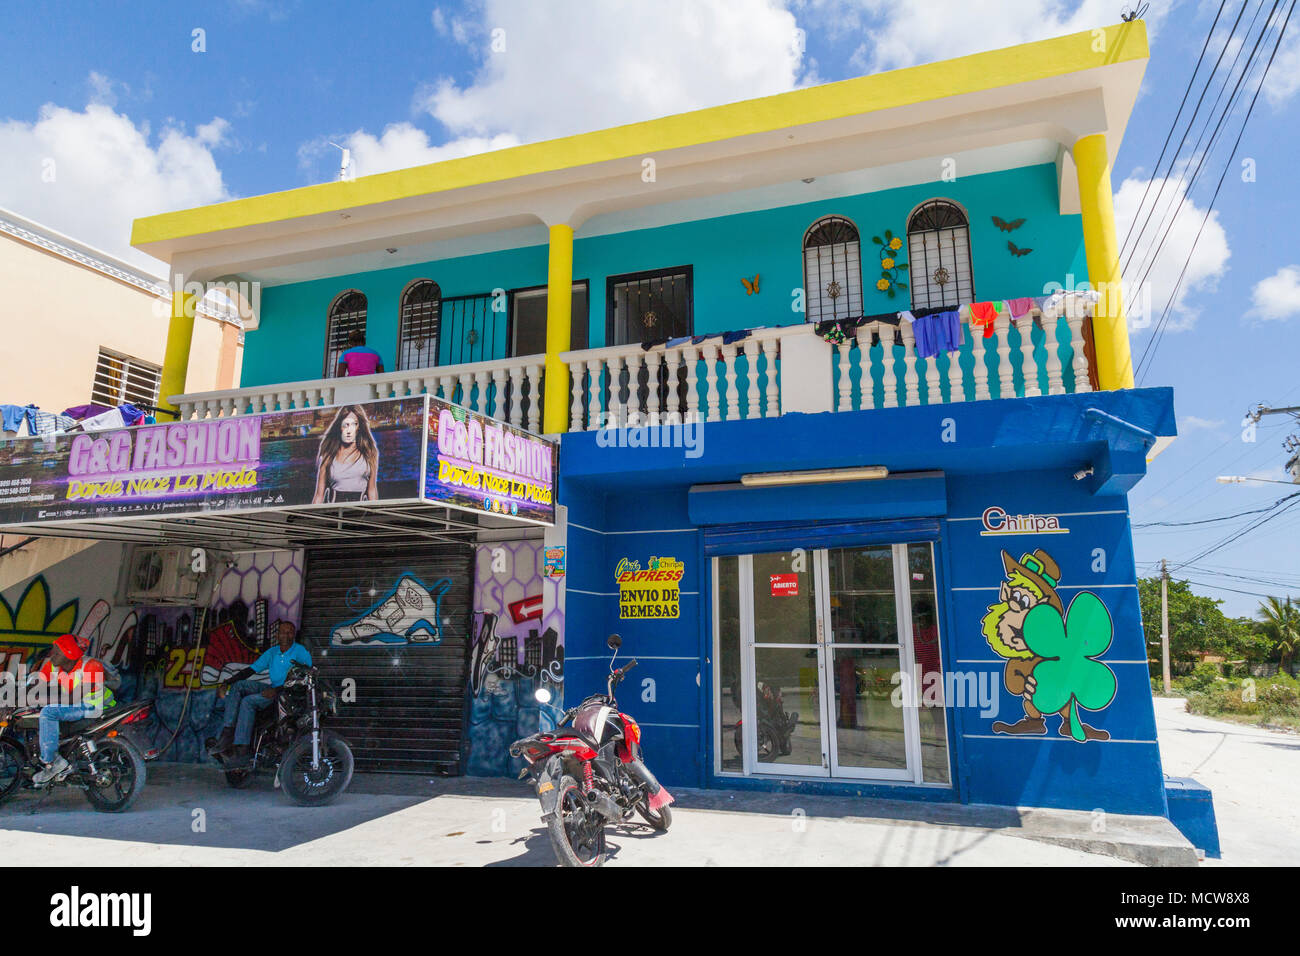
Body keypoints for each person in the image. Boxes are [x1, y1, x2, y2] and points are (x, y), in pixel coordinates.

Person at [208, 622, 312, 767]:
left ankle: (242, 748)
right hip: (273, 688)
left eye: (289, 632)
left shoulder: (300, 652)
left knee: (248, 701)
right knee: (238, 686)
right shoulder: (273, 652)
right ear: (277, 634)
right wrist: (227, 682)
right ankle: (227, 733)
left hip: (287, 695)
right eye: (283, 632)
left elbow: (306, 678)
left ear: (293, 635)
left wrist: (276, 691)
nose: (286, 635)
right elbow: (250, 670)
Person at [32, 635, 116, 785]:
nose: (52, 655)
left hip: (92, 707)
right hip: (75, 705)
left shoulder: (91, 665)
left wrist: (43, 700)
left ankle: (52, 762)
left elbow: (75, 697)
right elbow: (35, 684)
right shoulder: (53, 666)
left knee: (48, 712)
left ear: (69, 654)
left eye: (57, 652)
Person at [311, 404, 379, 503]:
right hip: (335, 513)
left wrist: (376, 514)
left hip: (360, 513)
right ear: (340, 426)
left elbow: (372, 490)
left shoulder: (369, 453)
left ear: (359, 427)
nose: (349, 430)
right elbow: (319, 495)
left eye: (354, 424)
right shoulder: (329, 455)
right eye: (345, 424)